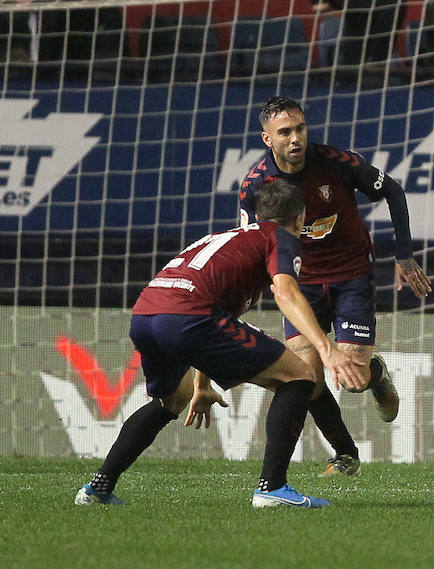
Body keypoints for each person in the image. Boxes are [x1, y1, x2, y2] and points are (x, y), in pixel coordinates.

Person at [74, 180, 370, 508]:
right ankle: (272, 487)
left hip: (146, 313)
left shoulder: (225, 238)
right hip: (188, 315)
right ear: (300, 218)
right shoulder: (280, 237)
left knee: (172, 399)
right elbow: (285, 292)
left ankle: (97, 488)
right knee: (300, 376)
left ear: (255, 214)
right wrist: (327, 351)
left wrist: (201, 383)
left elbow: (215, 320)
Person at [239, 96, 431, 477]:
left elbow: (392, 190)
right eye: (285, 132)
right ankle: (345, 454)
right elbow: (253, 240)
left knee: (352, 377)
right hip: (300, 284)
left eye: (300, 128)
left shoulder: (337, 163)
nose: (296, 138)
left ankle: (376, 375)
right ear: (267, 139)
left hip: (351, 274)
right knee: (305, 376)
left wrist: (404, 255)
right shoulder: (256, 186)